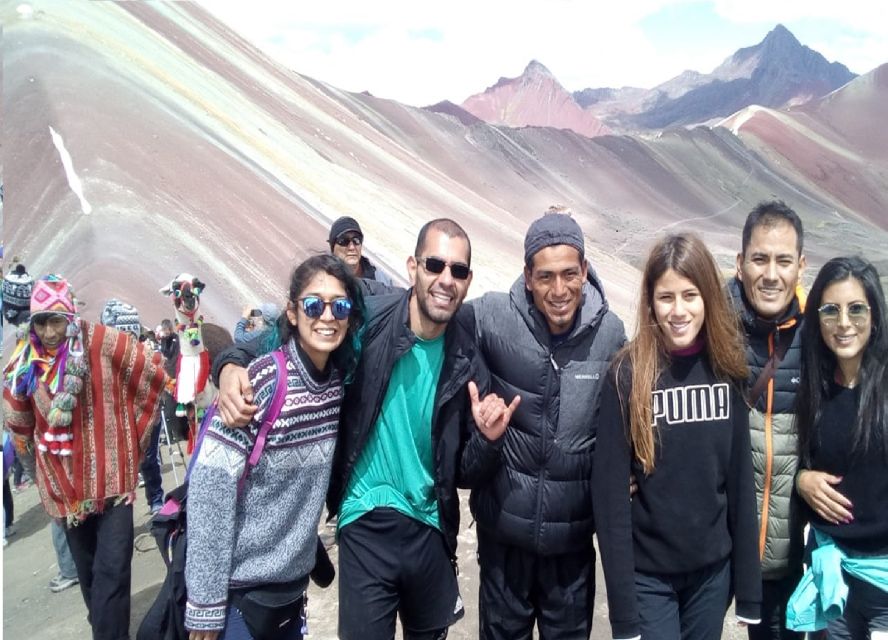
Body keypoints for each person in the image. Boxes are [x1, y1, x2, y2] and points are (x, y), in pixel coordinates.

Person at [214, 219, 516, 640]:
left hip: (430, 527)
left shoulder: (467, 355)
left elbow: (462, 473)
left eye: (458, 270)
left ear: (468, 281)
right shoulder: (370, 313)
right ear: (413, 267)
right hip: (365, 518)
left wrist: (487, 440)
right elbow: (286, 331)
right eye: (435, 265)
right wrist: (230, 364)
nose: (446, 280)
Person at [463, 208, 625, 639]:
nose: (559, 290)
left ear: (586, 271)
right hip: (504, 546)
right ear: (528, 276)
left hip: (571, 554)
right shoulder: (494, 317)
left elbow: (635, 408)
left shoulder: (610, 334)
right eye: (546, 276)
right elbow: (430, 325)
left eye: (570, 274)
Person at [185, 254, 366, 639]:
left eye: (341, 306)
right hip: (239, 593)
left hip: (290, 590)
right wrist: (204, 602)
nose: (327, 316)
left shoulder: (336, 386)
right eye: (314, 305)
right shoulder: (260, 382)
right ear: (293, 313)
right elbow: (209, 490)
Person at [594, 233, 762, 640]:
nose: (679, 311)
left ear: (708, 296)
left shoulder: (729, 370)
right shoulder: (627, 375)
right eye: (666, 297)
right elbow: (609, 498)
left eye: (690, 295)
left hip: (711, 576)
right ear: (651, 301)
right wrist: (623, 614)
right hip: (648, 578)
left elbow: (740, 482)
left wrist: (749, 592)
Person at [3, 275, 167, 640]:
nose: (49, 332)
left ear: (70, 318)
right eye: (41, 322)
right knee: (90, 576)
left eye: (56, 321)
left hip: (113, 483)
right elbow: (19, 422)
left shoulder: (99, 341)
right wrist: (39, 472)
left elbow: (149, 369)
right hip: (66, 494)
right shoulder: (25, 361)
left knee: (113, 573)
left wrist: (132, 437)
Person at [729, 200, 850, 640]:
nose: (771, 274)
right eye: (760, 259)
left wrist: (801, 478)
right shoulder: (712, 327)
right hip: (715, 551)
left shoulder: (819, 339)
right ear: (740, 263)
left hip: (782, 559)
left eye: (783, 261)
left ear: (801, 265)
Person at [793, 256, 888, 638]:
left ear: (875, 316)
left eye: (856, 309)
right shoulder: (812, 388)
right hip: (834, 580)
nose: (844, 323)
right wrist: (801, 480)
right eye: (831, 310)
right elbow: (791, 459)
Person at [328, 216, 393, 285]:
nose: (352, 247)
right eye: (344, 241)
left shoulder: (382, 280)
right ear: (333, 248)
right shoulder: (323, 279)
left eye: (356, 240)